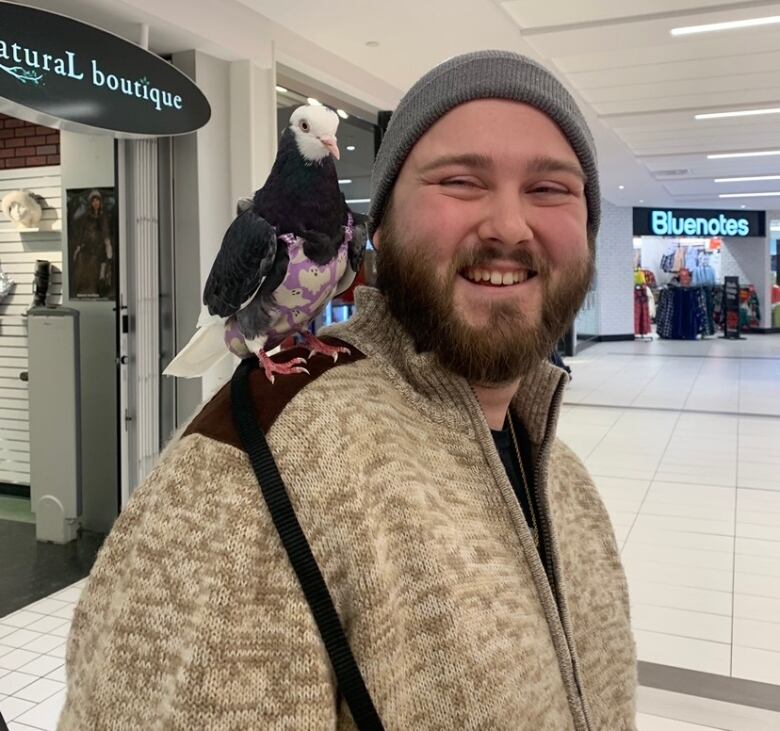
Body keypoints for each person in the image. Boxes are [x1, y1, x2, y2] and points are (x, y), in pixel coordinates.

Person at [59, 50, 636, 730]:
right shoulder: (243, 480)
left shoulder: (562, 476)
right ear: (383, 230)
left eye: (550, 189)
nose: (510, 225)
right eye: (460, 181)